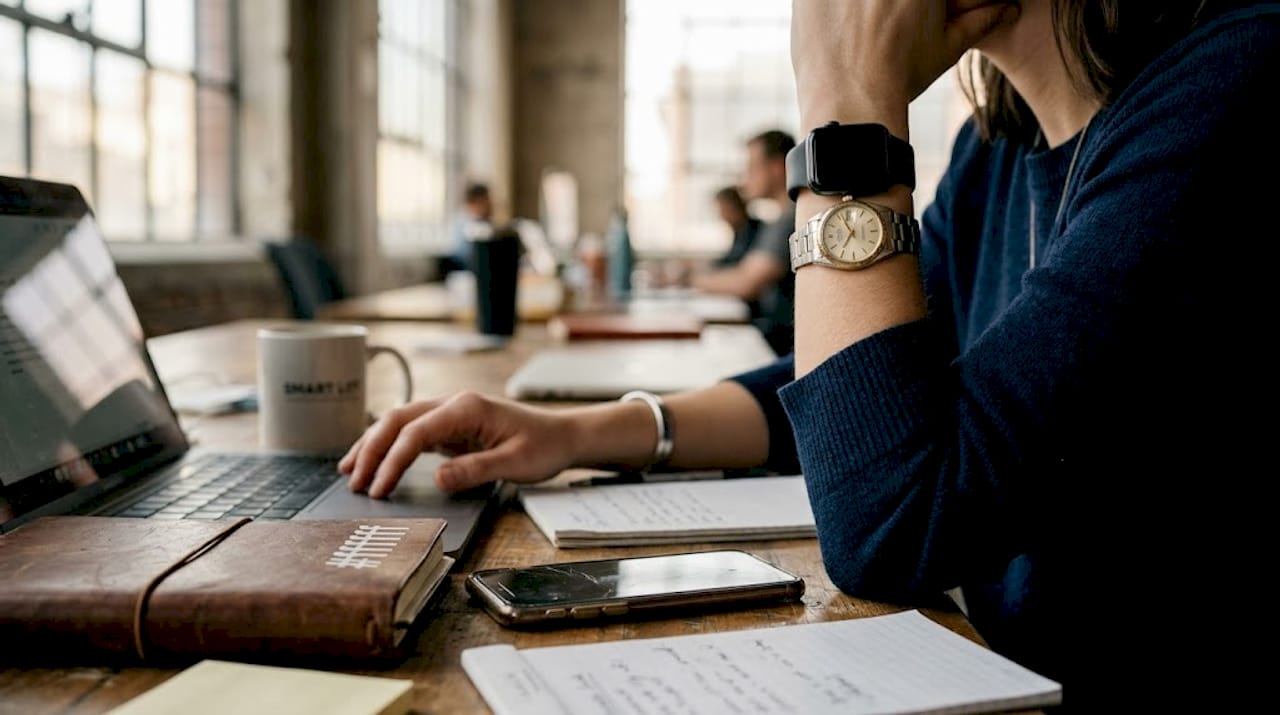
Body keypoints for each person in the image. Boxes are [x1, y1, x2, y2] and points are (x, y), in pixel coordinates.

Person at [341, 1, 1277, 707]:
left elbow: (890, 526)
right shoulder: (1003, 150)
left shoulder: (1239, 86)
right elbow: (864, 395)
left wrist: (844, 117)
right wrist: (584, 430)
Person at [689, 129, 797, 355]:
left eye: (750, 168)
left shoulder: (792, 218)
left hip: (784, 351)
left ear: (777, 167)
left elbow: (745, 282)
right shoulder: (779, 219)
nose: (743, 178)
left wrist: (689, 280)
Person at [441, 181, 495, 276]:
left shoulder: (483, 221)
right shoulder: (465, 222)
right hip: (462, 271)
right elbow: (468, 256)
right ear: (477, 201)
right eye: (487, 200)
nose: (491, 204)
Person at [710, 185, 763, 269]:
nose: (721, 215)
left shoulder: (755, 231)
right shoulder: (740, 231)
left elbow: (739, 264)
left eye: (723, 209)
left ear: (734, 207)